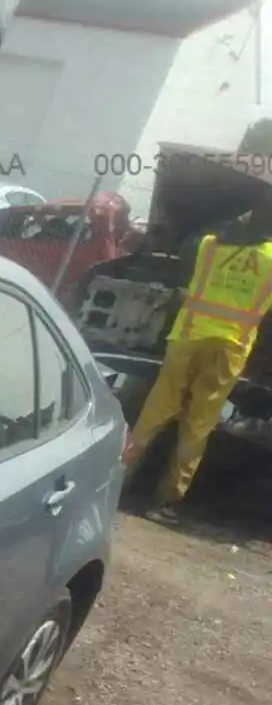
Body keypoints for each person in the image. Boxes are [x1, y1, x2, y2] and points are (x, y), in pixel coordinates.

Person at [126, 203, 272, 524]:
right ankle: (165, 502)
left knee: (153, 414)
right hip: (228, 348)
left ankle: (118, 477)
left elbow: (185, 249)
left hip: (187, 337)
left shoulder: (208, 246)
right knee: (197, 426)